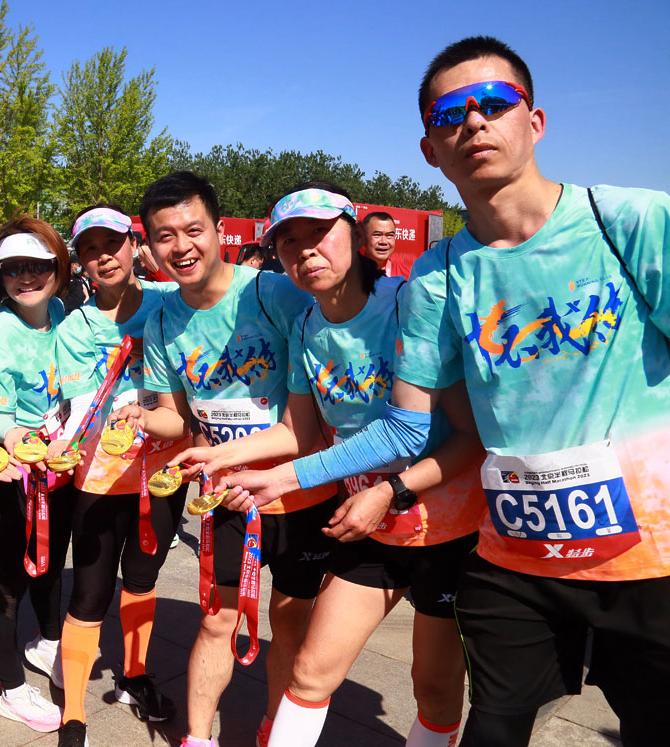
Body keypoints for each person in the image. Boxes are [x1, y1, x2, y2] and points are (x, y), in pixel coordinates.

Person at [220, 36, 670, 747]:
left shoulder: (633, 221)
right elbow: (409, 425)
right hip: (516, 558)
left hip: (648, 557)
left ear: (535, 120)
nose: (475, 121)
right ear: (430, 148)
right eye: (450, 114)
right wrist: (274, 472)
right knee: (484, 728)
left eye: (495, 102)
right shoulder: (437, 274)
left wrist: (363, 485)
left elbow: (445, 435)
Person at [176, 182, 483, 747]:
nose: (305, 251)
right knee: (309, 673)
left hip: (446, 528)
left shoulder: (408, 305)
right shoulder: (304, 326)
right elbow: (299, 432)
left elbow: (467, 438)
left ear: (356, 233)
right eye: (288, 241)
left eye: (320, 233)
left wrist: (389, 491)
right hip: (368, 529)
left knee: (434, 689)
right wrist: (218, 457)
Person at [113, 171, 335, 747]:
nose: (181, 247)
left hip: (302, 492)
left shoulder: (275, 294)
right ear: (148, 244)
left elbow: (307, 424)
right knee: (216, 622)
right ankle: (197, 737)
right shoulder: (163, 320)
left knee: (290, 625)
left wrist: (221, 454)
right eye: (165, 236)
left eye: (193, 230)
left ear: (218, 229)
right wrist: (141, 418)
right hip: (226, 499)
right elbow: (176, 417)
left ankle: (273, 730)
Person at [52, 205, 191, 747]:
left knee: (142, 578)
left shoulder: (170, 302)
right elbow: (79, 407)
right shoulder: (75, 328)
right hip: (101, 478)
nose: (103, 257)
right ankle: (74, 713)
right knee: (89, 594)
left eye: (112, 243)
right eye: (89, 248)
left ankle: (135, 676)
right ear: (80, 261)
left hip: (162, 471)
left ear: (134, 245)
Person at [0, 217, 74, 734]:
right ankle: (11, 689)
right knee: (10, 582)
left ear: (58, 268)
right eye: (13, 269)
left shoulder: (61, 311)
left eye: (38, 265)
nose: (26, 277)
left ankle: (48, 643)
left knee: (52, 563)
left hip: (60, 466)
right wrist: (21, 442)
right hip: (18, 474)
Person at [361, 211, 400, 276]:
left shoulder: (406, 273)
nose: (383, 242)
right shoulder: (350, 272)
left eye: (389, 235)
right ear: (363, 237)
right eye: (377, 235)